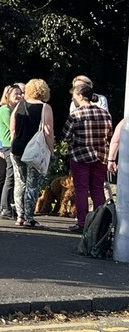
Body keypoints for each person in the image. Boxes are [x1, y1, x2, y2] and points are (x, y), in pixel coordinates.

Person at [61, 83, 113, 233]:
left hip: (80, 156)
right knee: (98, 190)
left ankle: (82, 223)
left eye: (74, 96)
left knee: (81, 190)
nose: (73, 99)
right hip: (101, 156)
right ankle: (99, 223)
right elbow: (109, 136)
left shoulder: (76, 115)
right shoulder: (105, 114)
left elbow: (65, 136)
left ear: (81, 96)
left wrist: (73, 143)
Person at [8, 78, 54, 228]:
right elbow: (48, 131)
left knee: (19, 182)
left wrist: (15, 142)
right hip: (33, 150)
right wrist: (51, 150)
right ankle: (29, 218)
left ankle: (19, 216)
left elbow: (12, 128)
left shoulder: (19, 106)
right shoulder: (45, 107)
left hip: (16, 148)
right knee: (32, 184)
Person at [0, 84, 24, 219]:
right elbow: (6, 130)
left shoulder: (13, 109)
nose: (19, 96)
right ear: (8, 96)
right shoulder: (5, 111)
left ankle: (10, 206)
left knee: (14, 177)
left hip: (12, 146)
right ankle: (4, 207)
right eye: (16, 94)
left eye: (20, 93)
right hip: (7, 146)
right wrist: (0, 149)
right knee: (8, 176)